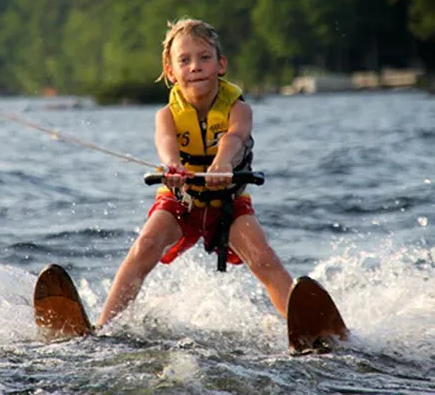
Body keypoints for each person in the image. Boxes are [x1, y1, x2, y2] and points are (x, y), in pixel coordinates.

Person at [97, 18, 293, 327]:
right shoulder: (166, 115)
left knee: (264, 259)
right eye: (184, 60)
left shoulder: (238, 109)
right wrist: (173, 166)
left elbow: (235, 137)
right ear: (172, 72)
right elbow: (165, 140)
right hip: (182, 201)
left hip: (228, 204)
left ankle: (305, 325)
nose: (195, 66)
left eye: (204, 57)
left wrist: (223, 163)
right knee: (145, 245)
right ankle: (102, 326)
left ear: (221, 64)